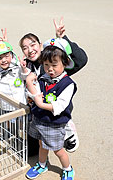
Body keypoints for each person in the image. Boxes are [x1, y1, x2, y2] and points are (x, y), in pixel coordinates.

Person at [0, 17, 88, 156]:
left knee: (59, 145)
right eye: (25, 48)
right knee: (31, 151)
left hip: (56, 110)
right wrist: (5, 47)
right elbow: (12, 61)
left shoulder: (54, 62)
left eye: (33, 45)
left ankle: (67, 127)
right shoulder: (26, 64)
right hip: (37, 113)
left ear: (40, 45)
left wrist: (63, 38)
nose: (30, 50)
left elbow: (81, 60)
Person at [25, 39, 77, 179]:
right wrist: (30, 85)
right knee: (42, 144)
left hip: (54, 122)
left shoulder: (68, 84)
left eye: (54, 65)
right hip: (39, 120)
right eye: (46, 65)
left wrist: (40, 104)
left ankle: (68, 169)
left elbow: (59, 106)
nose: (50, 69)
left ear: (65, 63)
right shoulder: (43, 77)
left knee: (58, 150)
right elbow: (34, 93)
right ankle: (42, 165)